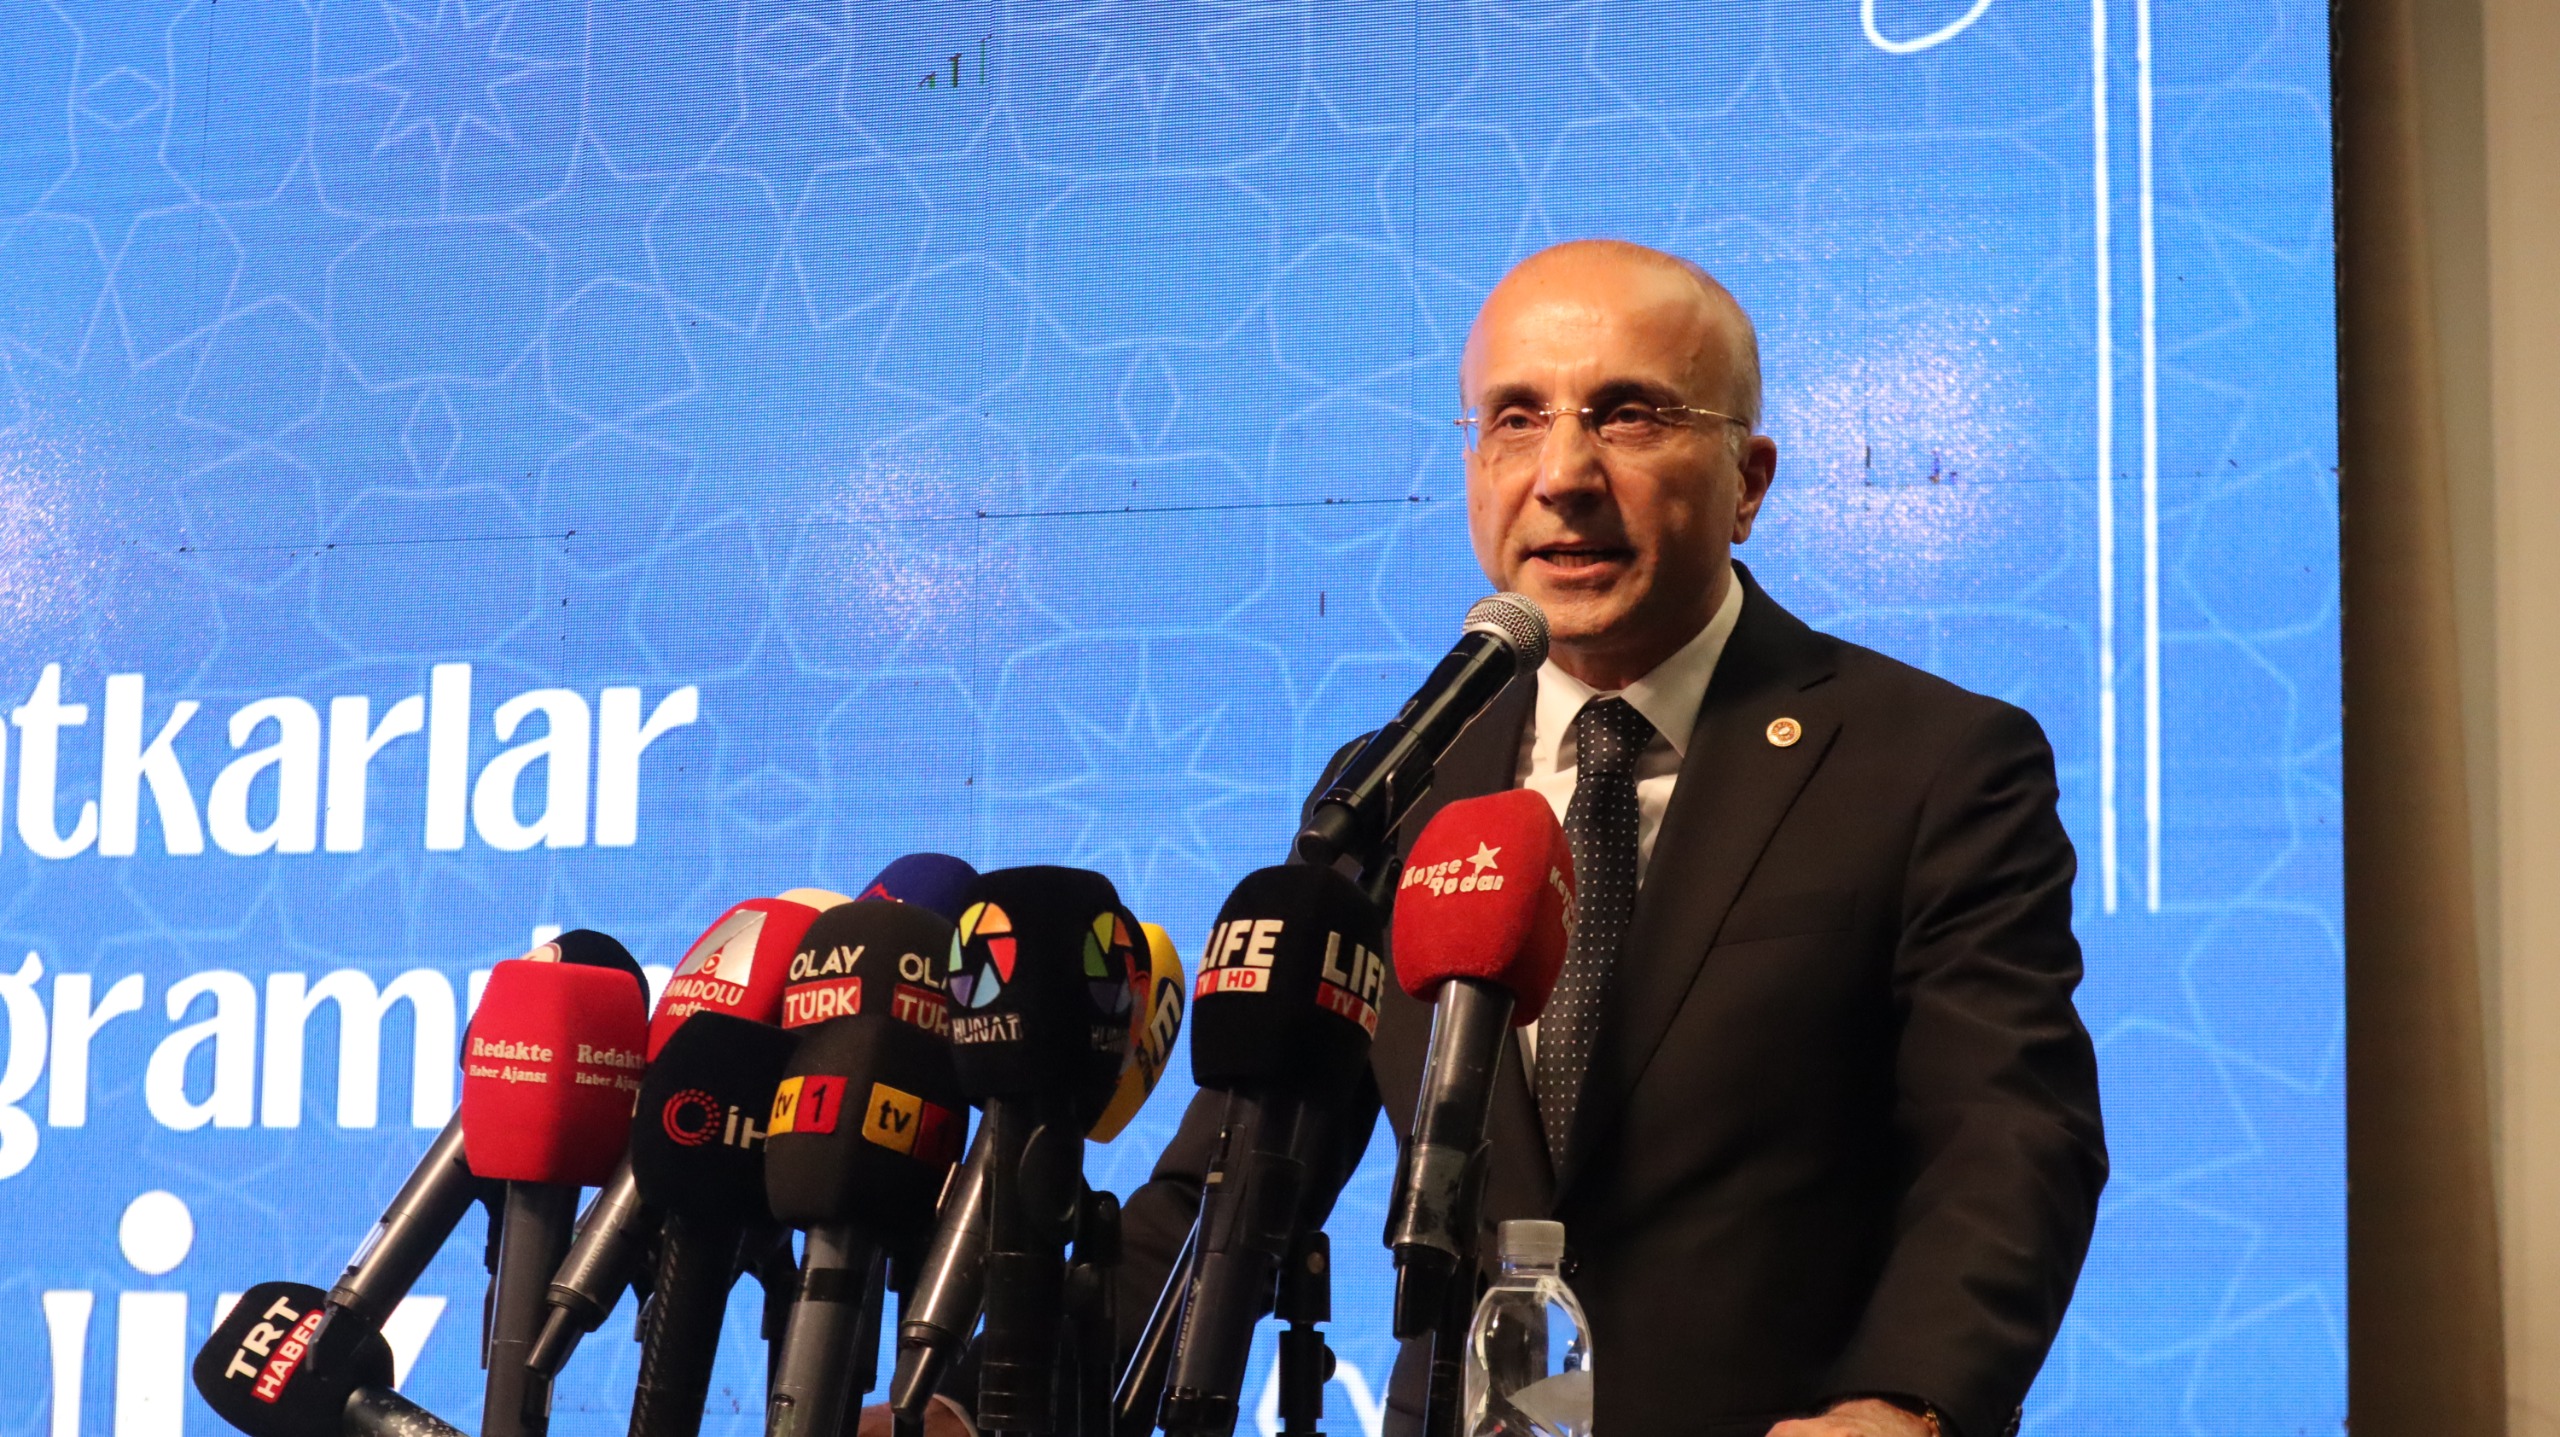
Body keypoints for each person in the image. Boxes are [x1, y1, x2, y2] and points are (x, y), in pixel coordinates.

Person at [866, 238, 2105, 1437]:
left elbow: (2007, 1139)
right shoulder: (1396, 784)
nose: (1562, 473)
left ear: (1748, 481)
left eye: (1628, 415)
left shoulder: (1927, 761)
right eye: (1515, 418)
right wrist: (972, 1406)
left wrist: (1906, 1404)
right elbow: (1235, 1177)